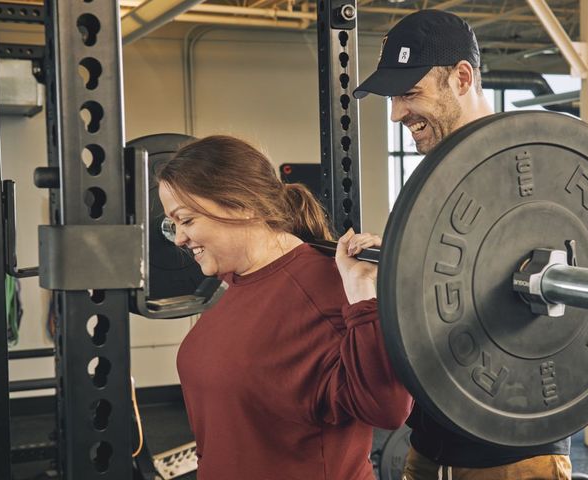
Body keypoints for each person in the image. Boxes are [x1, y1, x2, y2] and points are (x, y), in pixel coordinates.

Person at [351, 9, 572, 480]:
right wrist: (393, 263)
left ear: (462, 77)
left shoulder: (530, 167)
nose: (396, 114)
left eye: (409, 94)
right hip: (428, 446)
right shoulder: (441, 177)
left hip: (514, 458)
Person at [156, 135, 412, 479]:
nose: (178, 239)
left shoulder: (321, 288)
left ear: (242, 205)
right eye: (173, 224)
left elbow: (389, 408)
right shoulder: (238, 282)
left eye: (186, 221)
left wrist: (365, 293)